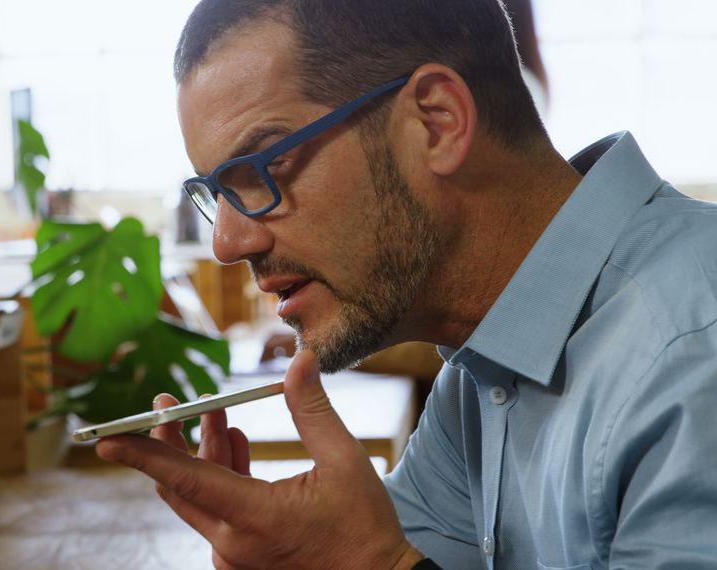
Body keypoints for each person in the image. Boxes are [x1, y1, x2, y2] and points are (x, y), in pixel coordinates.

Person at [96, 0, 717, 568]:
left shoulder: (691, 350)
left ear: (437, 122)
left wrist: (377, 563)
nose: (229, 244)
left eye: (263, 166)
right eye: (216, 193)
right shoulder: (480, 374)